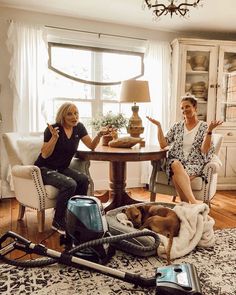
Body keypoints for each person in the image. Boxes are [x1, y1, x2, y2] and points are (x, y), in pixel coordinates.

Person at [34, 102, 109, 233]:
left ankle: (75, 216)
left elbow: (91, 145)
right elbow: (45, 154)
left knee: (83, 179)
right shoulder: (53, 129)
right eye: (70, 114)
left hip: (62, 168)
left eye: (76, 113)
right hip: (44, 169)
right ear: (62, 115)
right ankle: (57, 222)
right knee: (70, 184)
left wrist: (99, 135)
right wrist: (54, 138)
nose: (74, 117)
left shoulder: (79, 128)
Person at [147, 94, 223, 204]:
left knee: (177, 176)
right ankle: (194, 203)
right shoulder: (177, 126)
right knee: (175, 164)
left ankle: (186, 205)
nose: (184, 110)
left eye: (187, 107)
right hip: (176, 161)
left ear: (195, 108)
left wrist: (209, 131)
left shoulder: (204, 127)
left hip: (195, 163)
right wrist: (159, 126)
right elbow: (163, 144)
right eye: (182, 108)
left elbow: (204, 150)